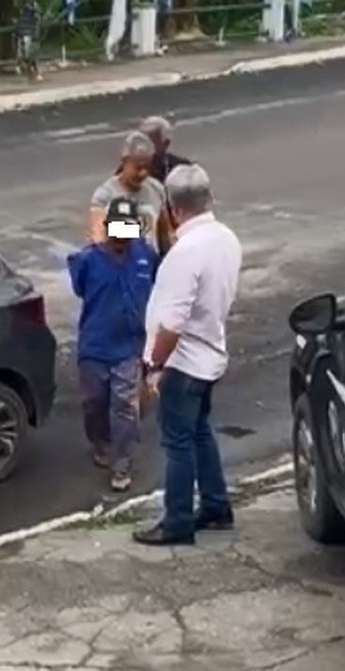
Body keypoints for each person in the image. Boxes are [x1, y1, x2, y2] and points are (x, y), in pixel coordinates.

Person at [133, 164, 242, 546]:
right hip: (210, 354)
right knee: (199, 434)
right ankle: (215, 506)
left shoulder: (184, 252)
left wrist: (153, 368)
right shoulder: (226, 238)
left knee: (177, 443)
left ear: (173, 208)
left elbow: (172, 324)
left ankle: (177, 521)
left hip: (182, 363)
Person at [68, 196, 159, 492]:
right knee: (94, 402)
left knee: (124, 408)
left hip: (129, 349)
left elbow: (156, 290)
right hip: (95, 347)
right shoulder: (88, 260)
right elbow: (80, 288)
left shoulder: (145, 257)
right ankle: (100, 442)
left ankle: (122, 463)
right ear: (107, 228)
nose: (121, 235)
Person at [90, 131, 173, 258]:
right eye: (138, 167)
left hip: (151, 266)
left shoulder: (157, 189)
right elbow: (98, 238)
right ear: (124, 162)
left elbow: (165, 236)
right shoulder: (105, 194)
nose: (143, 173)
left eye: (147, 167)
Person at [138, 116, 191, 184]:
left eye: (152, 142)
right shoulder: (131, 171)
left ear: (166, 143)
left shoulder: (183, 168)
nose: (144, 148)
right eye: (142, 142)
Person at [16, 0, 42, 81]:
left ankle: (33, 70)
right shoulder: (24, 9)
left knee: (31, 53)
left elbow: (38, 18)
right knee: (25, 53)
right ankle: (30, 70)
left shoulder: (34, 7)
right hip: (25, 32)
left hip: (29, 33)